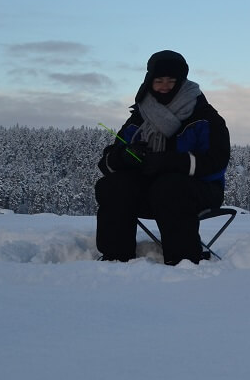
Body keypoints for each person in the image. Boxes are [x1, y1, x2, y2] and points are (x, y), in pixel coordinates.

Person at [96, 50, 231, 265]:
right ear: (150, 81)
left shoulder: (206, 117)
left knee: (169, 186)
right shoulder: (139, 116)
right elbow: (107, 163)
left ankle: (184, 261)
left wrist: (169, 162)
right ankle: (115, 259)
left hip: (199, 190)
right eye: (159, 80)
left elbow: (216, 164)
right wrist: (126, 156)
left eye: (171, 80)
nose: (165, 86)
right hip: (148, 190)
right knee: (114, 185)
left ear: (182, 81)